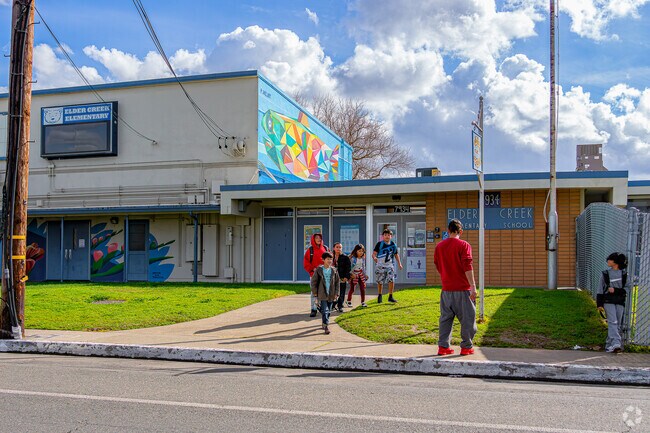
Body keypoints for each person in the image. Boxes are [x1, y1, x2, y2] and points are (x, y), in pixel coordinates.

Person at [433, 219, 477, 356]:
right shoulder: (464, 245)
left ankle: (443, 346)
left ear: (448, 231)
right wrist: (473, 286)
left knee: (445, 319)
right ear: (461, 231)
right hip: (463, 289)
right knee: (468, 319)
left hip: (446, 289)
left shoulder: (439, 246)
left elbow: (437, 264)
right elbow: (467, 266)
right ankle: (466, 346)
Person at [599, 252, 628, 353]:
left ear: (615, 262)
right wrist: (599, 304)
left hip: (619, 301)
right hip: (608, 300)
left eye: (610, 259)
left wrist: (615, 290)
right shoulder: (605, 273)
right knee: (612, 321)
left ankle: (609, 345)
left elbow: (627, 289)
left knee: (617, 323)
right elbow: (600, 289)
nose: (607, 261)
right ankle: (616, 343)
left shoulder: (624, 274)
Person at [310, 251, 340, 335]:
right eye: (328, 259)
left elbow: (337, 283)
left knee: (329, 310)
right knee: (325, 310)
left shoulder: (334, 270)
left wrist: (336, 293)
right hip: (322, 294)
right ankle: (326, 325)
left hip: (331, 294)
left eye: (331, 259)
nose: (330, 261)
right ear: (323, 260)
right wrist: (315, 293)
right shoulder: (319, 270)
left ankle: (324, 322)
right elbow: (313, 282)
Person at [372, 229, 403, 303]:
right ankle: (380, 295)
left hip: (389, 265)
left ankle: (390, 296)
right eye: (385, 235)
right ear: (383, 236)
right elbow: (374, 253)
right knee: (380, 281)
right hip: (380, 265)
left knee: (391, 280)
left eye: (388, 235)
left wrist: (399, 263)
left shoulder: (393, 245)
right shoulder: (379, 244)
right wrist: (374, 258)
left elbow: (396, 254)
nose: (387, 236)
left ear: (391, 236)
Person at [303, 233, 329, 317]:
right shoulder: (310, 250)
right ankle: (313, 309)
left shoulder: (325, 248)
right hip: (314, 275)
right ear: (313, 239)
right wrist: (312, 269)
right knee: (314, 292)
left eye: (320, 238)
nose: (319, 239)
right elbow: (306, 262)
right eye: (317, 238)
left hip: (324, 274)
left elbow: (330, 259)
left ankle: (321, 307)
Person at [332, 242, 351, 312]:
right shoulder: (331, 257)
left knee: (341, 292)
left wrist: (346, 276)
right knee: (333, 292)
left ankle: (340, 306)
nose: (338, 249)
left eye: (340, 247)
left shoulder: (345, 257)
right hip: (332, 278)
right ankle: (333, 305)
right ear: (334, 248)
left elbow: (348, 268)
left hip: (342, 277)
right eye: (337, 247)